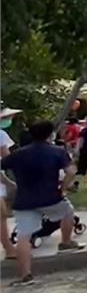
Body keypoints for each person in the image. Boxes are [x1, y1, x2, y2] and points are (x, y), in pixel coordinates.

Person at [2, 121, 84, 286]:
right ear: (50, 134)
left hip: (24, 200)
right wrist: (63, 187)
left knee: (23, 236)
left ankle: (26, 275)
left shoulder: (18, 154)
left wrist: (7, 183)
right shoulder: (57, 151)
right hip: (50, 197)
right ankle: (66, 242)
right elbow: (71, 171)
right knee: (68, 212)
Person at [0, 106, 22, 260]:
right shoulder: (0, 134)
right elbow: (8, 159)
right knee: (1, 216)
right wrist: (9, 182)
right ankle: (8, 248)